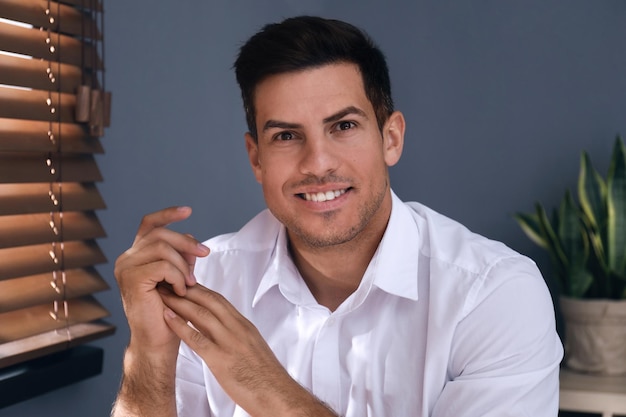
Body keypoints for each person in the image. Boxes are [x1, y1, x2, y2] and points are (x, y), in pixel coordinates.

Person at [111, 15, 563, 417]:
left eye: (343, 126)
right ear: (256, 160)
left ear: (391, 138)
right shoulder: (202, 283)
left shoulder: (494, 296)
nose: (317, 163)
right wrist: (149, 353)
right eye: (287, 136)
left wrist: (267, 390)